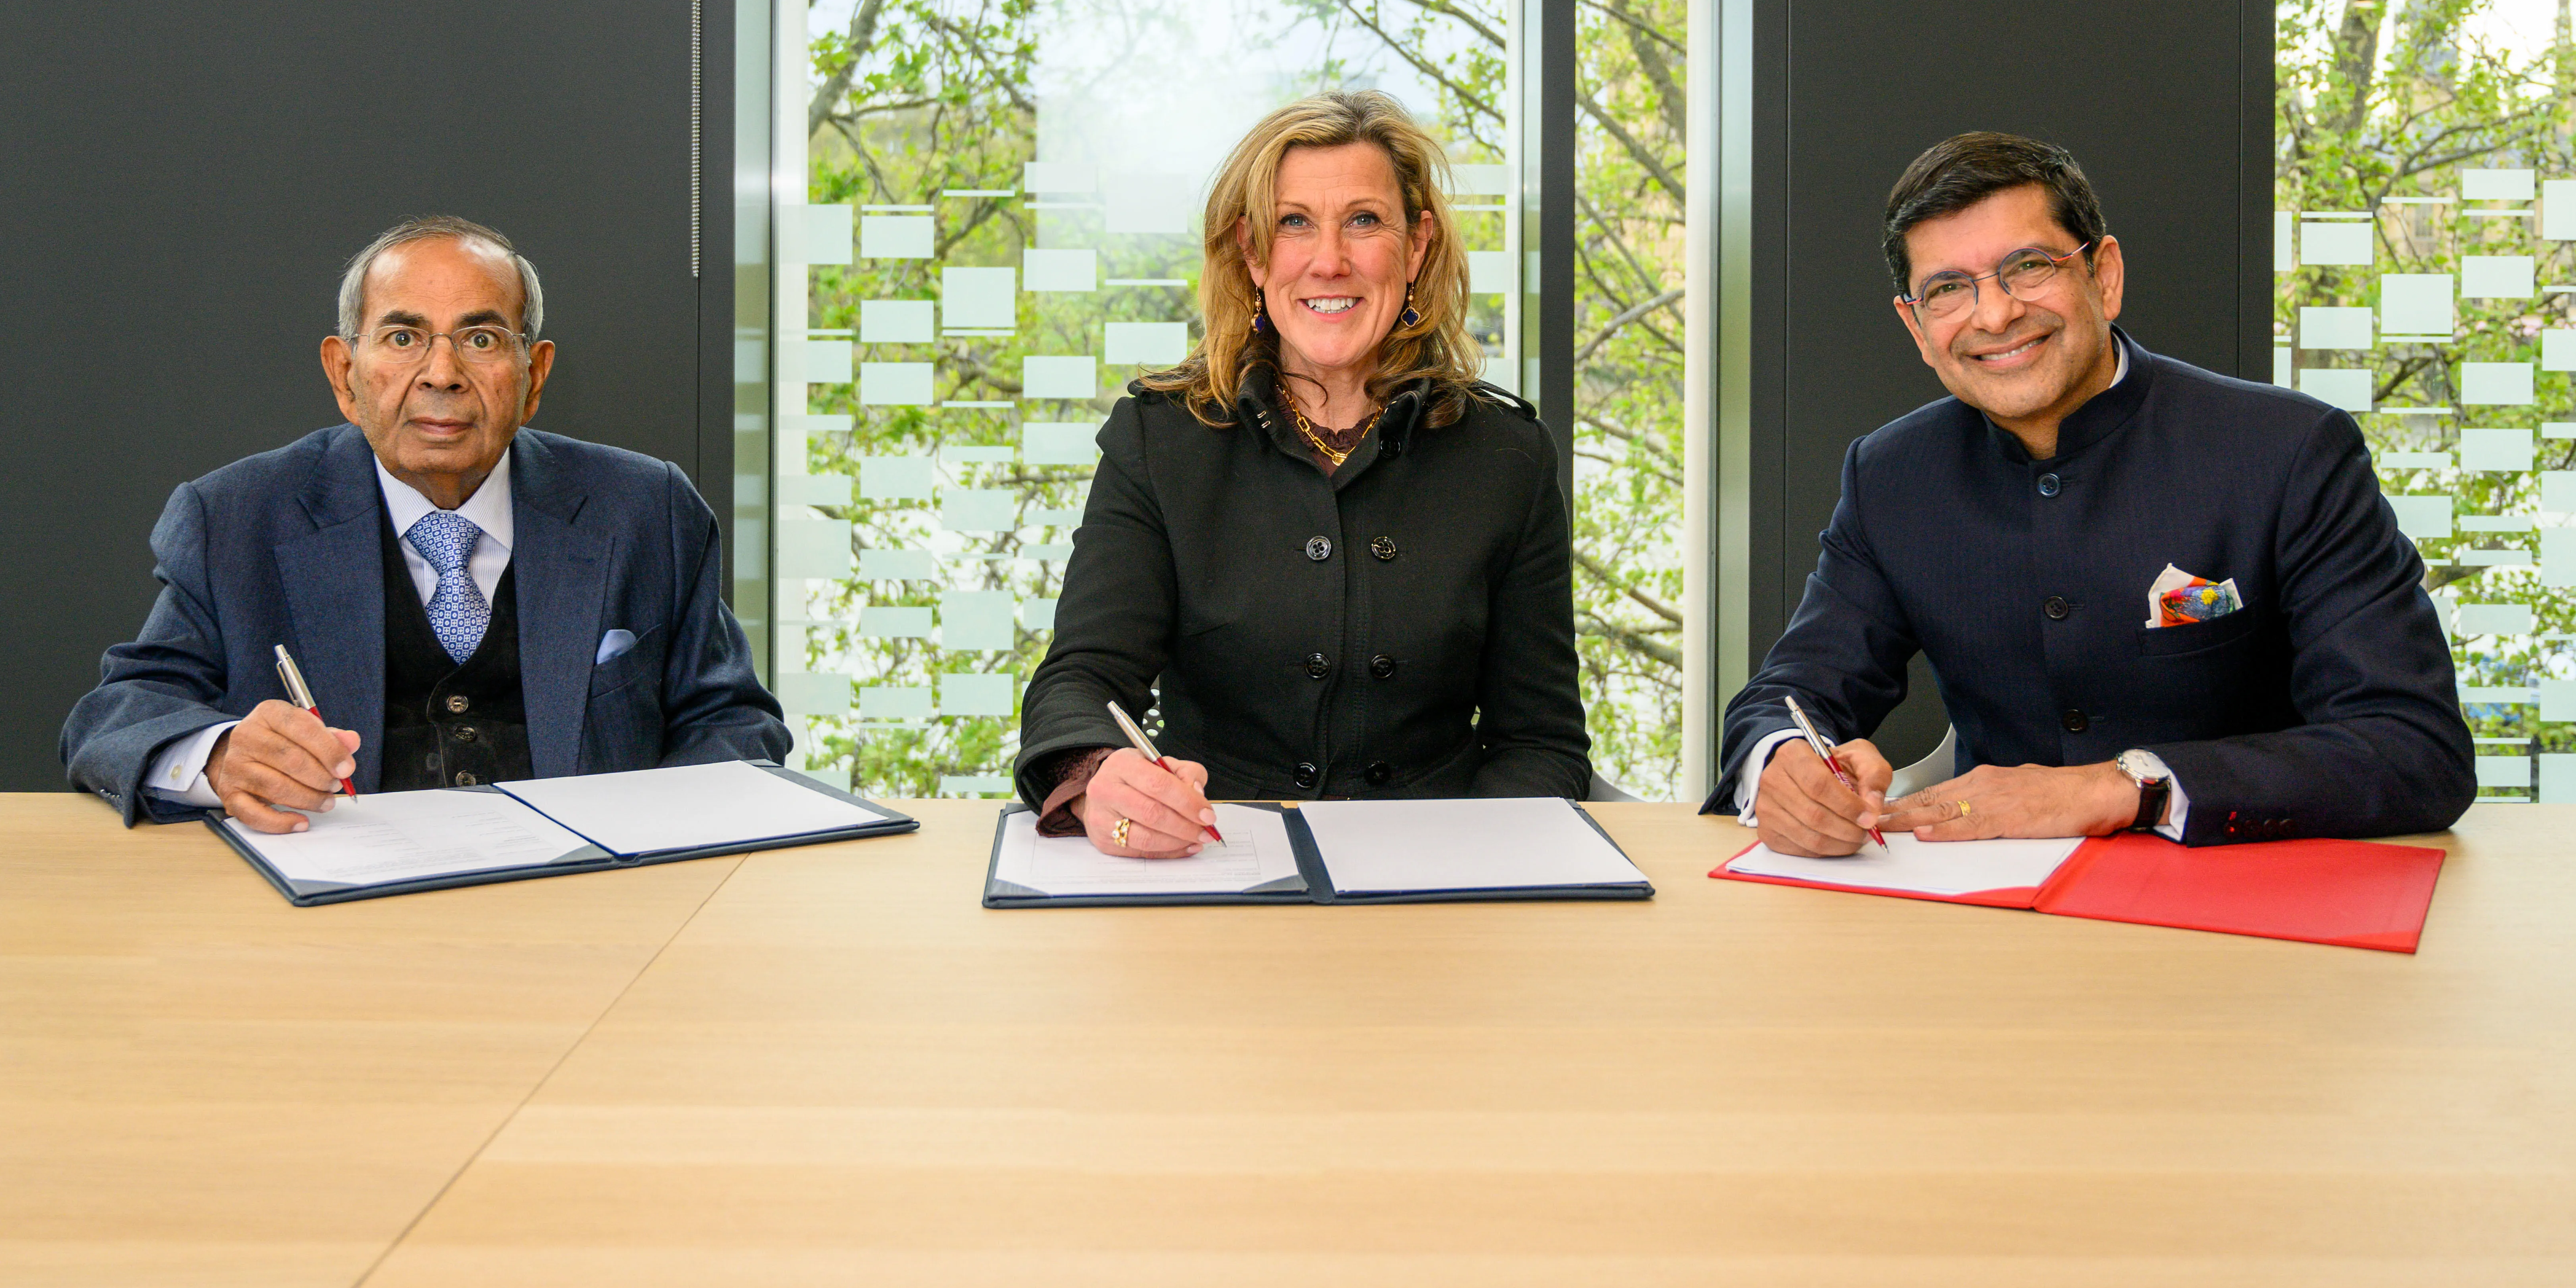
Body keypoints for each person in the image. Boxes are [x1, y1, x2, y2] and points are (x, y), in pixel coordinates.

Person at [1709, 132, 2475, 854]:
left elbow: (2413, 746)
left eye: (2029, 267)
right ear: (1916, 327)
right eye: (1947, 289)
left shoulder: (2289, 451)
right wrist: (1782, 767)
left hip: (2245, 913)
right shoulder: (1889, 474)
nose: (1995, 312)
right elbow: (1791, 694)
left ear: (2102, 275)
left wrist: (2123, 787)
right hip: (1991, 916)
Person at [62, 216, 788, 830]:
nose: (441, 373)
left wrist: (654, 854)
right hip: (334, 931)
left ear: (533, 377)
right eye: (404, 338)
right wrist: (218, 756)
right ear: (344, 376)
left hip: (587, 916)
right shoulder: (235, 519)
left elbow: (733, 724)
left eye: (479, 340)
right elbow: (115, 718)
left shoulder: (646, 510)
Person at [1015, 91, 1591, 855]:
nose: (1329, 259)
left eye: (1364, 221)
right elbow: (1080, 681)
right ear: (1254, 254)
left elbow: (1541, 742)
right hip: (1214, 863)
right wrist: (1100, 774)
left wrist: (1469, 868)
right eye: (1294, 224)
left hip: (1438, 891)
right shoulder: (1160, 438)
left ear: (1416, 247)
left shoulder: (1507, 455)